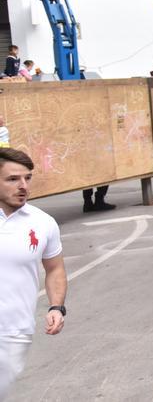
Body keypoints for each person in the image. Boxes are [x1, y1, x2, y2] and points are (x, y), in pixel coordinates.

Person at [0, 148, 67, 400]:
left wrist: (56, 307)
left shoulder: (42, 223)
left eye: (27, 178)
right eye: (12, 179)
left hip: (13, 332)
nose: (23, 186)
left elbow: (55, 268)